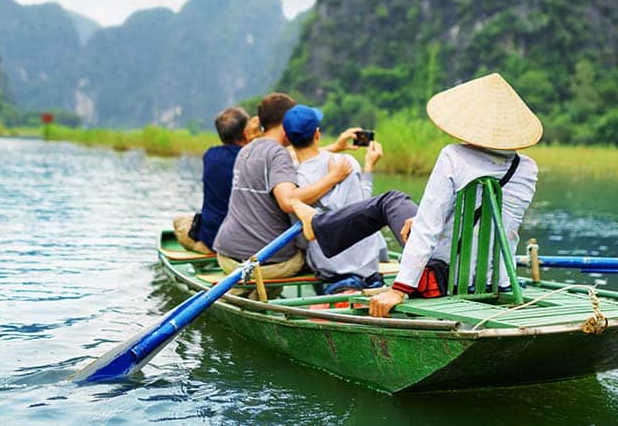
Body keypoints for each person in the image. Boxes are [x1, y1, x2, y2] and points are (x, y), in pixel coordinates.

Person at [292, 73, 541, 318]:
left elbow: (427, 230)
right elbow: (493, 222)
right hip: (496, 280)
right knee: (404, 209)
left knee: (389, 201)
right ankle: (317, 225)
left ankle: (316, 225)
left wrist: (399, 289)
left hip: (443, 277)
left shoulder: (454, 156)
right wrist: (423, 218)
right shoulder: (527, 168)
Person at [212, 93, 353, 282]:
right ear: (286, 121)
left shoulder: (247, 149)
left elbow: (290, 157)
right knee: (320, 255)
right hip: (264, 262)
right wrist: (332, 178)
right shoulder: (278, 154)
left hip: (227, 255)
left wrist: (334, 147)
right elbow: (288, 201)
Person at [282, 105, 390, 295]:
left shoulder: (289, 180)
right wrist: (369, 167)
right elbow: (366, 208)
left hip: (330, 269)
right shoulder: (346, 162)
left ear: (287, 139)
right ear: (317, 134)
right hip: (367, 266)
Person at [172, 107, 253, 254]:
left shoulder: (210, 156)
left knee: (179, 221)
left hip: (211, 239)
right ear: (245, 133)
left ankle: (203, 248)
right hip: (243, 240)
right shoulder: (253, 158)